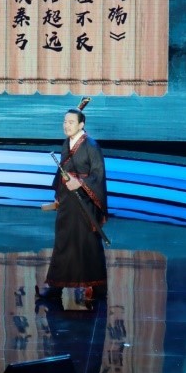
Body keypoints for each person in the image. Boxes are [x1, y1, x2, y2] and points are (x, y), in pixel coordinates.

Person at [38, 107, 107, 306]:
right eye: (65, 122)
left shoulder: (91, 145)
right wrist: (59, 196)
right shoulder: (66, 144)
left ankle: (95, 286)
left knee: (86, 243)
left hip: (85, 201)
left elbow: (98, 174)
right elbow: (62, 172)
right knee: (63, 241)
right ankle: (56, 284)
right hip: (68, 201)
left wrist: (81, 183)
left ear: (81, 124)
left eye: (71, 122)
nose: (66, 125)